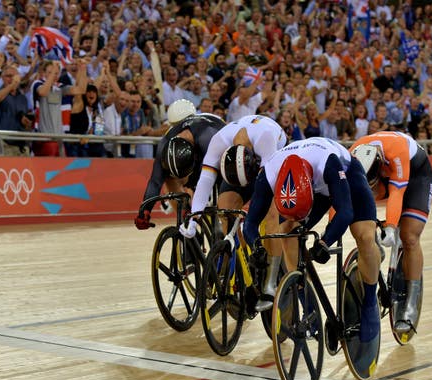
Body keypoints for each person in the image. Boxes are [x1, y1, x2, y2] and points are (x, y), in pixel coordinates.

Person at [242, 137, 381, 347]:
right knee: (287, 231)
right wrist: (256, 248)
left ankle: (370, 302)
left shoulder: (329, 162)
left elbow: (345, 212)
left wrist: (324, 242)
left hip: (346, 176)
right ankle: (308, 306)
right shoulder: (269, 173)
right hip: (307, 188)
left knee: (364, 235)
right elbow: (250, 224)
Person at [179, 115, 287, 311]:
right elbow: (204, 182)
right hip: (237, 168)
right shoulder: (219, 141)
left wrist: (253, 219)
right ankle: (240, 268)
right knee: (225, 208)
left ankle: (270, 283)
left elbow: (265, 191)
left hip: (270, 162)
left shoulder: (266, 138)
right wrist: (194, 219)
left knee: (272, 214)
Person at [349, 131, 432, 340]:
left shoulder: (396, 150)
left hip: (416, 176)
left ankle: (411, 301)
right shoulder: (350, 157)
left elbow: (396, 193)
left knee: (409, 237)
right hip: (379, 177)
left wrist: (390, 227)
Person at [134, 101, 224, 229]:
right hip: (202, 151)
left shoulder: (205, 136)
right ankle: (184, 214)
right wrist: (145, 211)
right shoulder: (165, 144)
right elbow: (156, 180)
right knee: (169, 175)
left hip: (217, 149)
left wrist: (144, 211)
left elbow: (154, 182)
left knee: (222, 197)